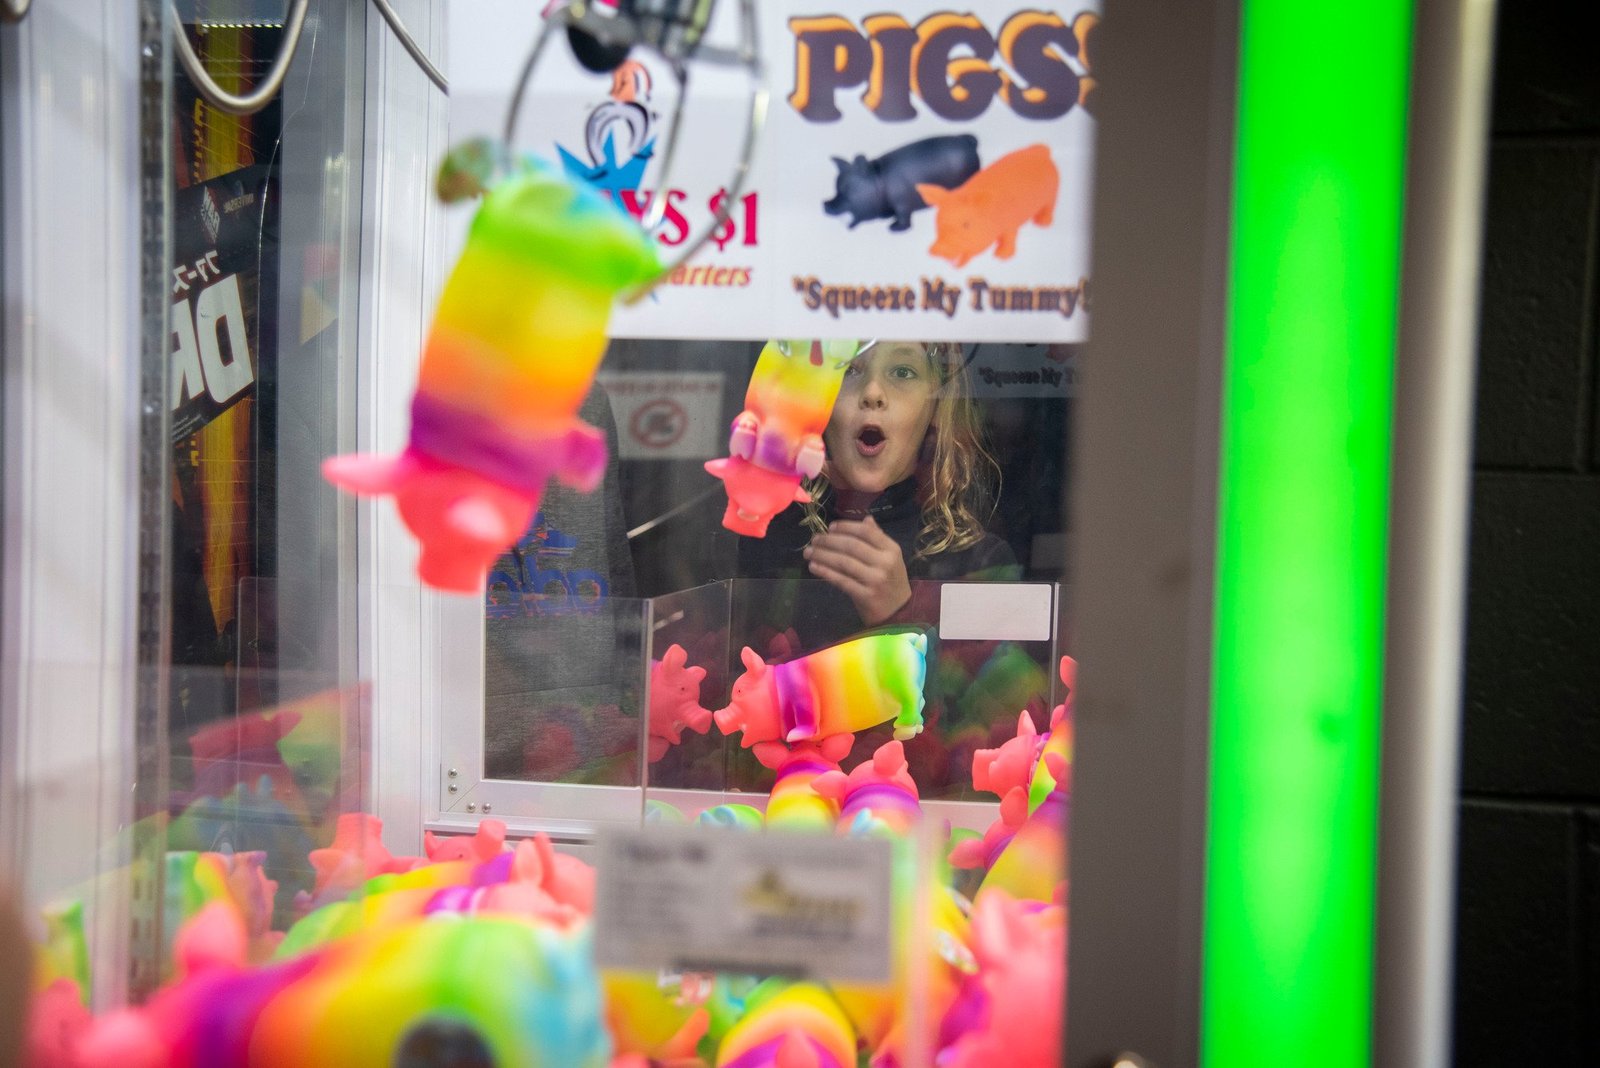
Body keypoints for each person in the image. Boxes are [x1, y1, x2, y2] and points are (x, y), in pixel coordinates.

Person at [736, 339, 1018, 649]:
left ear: (937, 404)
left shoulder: (980, 562)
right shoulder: (771, 536)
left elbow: (1007, 693)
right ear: (818, 401)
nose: (872, 393)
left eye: (902, 372)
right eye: (848, 371)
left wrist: (900, 614)